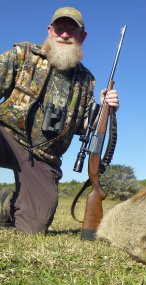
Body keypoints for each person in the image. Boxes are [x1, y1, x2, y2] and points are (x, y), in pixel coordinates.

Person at [0, 7, 119, 233]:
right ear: (50, 31)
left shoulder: (86, 81)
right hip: (6, 137)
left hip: (44, 158)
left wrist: (105, 109)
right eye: (59, 29)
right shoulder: (23, 55)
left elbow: (84, 127)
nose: (64, 35)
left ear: (82, 37)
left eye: (71, 30)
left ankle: (6, 204)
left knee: (34, 226)